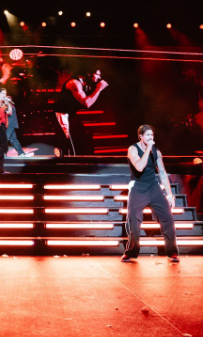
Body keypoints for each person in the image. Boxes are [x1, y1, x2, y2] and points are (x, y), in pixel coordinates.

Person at [122, 125, 179, 263]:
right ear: (141, 136)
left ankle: (172, 252)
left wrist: (169, 195)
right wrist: (148, 149)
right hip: (138, 187)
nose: (151, 138)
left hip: (153, 187)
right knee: (133, 219)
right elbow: (140, 167)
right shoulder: (133, 149)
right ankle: (131, 252)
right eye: (148, 135)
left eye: (152, 135)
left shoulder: (156, 151)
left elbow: (163, 173)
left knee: (167, 217)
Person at [53, 69, 109, 155]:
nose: (99, 77)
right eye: (97, 74)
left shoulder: (85, 83)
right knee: (71, 144)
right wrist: (99, 89)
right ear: (89, 73)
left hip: (71, 114)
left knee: (83, 139)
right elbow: (86, 103)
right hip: (62, 115)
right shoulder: (74, 83)